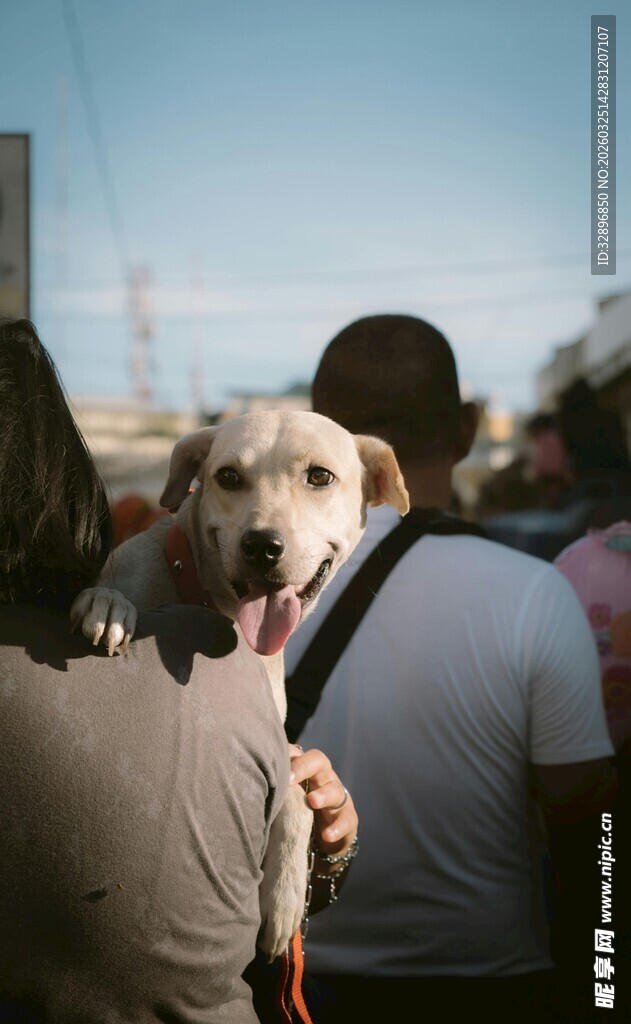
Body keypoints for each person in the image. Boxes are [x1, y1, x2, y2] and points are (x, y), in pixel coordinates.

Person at [0, 319, 358, 1022]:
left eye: (316, 479)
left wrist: (305, 838)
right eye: (230, 481)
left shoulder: (233, 642)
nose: (268, 520)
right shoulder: (189, 636)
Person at [283, 314, 618, 1024]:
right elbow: (593, 840)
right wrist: (602, 992)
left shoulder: (250, 600)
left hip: (291, 987)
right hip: (495, 990)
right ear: (466, 428)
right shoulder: (532, 594)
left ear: (318, 427)